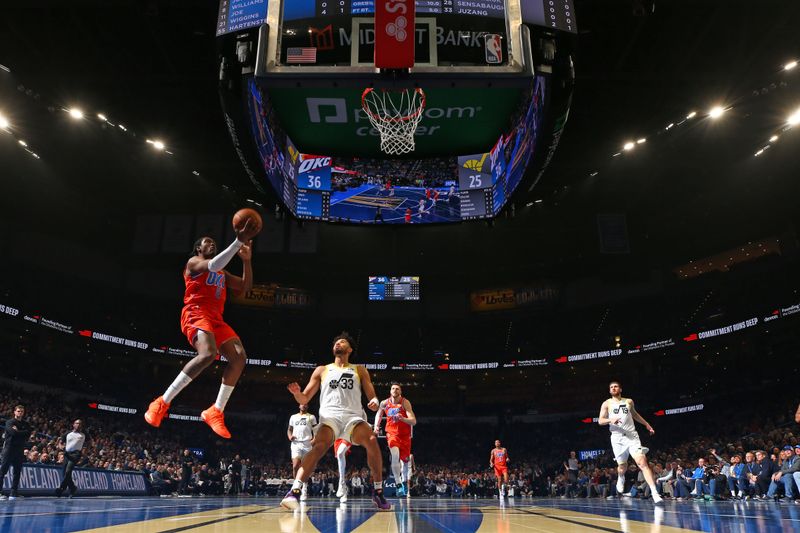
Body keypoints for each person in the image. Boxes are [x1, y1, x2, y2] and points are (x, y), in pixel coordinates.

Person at [144, 222, 259, 439]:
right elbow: (213, 265)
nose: (212, 244)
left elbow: (246, 287)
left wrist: (247, 261)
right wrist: (238, 240)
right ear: (199, 248)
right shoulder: (194, 263)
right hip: (196, 313)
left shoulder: (221, 272)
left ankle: (215, 410)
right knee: (207, 354)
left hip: (216, 318)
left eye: (214, 242)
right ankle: (162, 402)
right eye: (208, 242)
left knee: (239, 358)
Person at [281, 332, 390, 511]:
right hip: (330, 417)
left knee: (371, 440)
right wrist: (297, 394)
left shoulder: (359, 370)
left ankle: (378, 492)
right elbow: (304, 399)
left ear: (350, 349)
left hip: (353, 417)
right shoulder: (322, 370)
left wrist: (374, 402)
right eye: (336, 342)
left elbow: (372, 395)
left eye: (342, 342)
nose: (338, 344)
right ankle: (294, 491)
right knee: (318, 446)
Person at [598, 381, 663, 504]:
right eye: (611, 387)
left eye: (615, 386)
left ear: (620, 389)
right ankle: (621, 477)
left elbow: (635, 414)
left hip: (632, 436)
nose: (613, 388)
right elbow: (600, 421)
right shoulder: (606, 403)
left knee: (642, 463)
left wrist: (646, 424)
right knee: (622, 467)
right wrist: (610, 419)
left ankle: (654, 493)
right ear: (609, 390)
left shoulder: (628, 401)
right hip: (617, 438)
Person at [374, 383, 416, 497]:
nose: (395, 390)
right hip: (392, 434)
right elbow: (378, 414)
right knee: (395, 455)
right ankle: (398, 484)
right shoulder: (384, 403)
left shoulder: (404, 403)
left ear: (400, 391)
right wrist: (376, 427)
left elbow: (413, 421)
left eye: (397, 388)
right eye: (393, 388)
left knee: (405, 461)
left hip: (405, 436)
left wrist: (403, 418)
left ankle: (403, 482)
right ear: (390, 391)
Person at [0, 405, 32, 500]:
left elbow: (28, 434)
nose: (20, 413)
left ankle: (13, 493)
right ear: (14, 412)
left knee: (17, 472)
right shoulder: (9, 422)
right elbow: (13, 433)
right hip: (9, 449)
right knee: (3, 471)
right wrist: (22, 433)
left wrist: (18, 432)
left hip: (19, 450)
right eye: (18, 411)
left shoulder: (26, 424)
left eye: (22, 411)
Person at [287, 404, 317, 501]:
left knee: (305, 467)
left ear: (307, 406)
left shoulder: (311, 417)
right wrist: (290, 436)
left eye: (305, 404)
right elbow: (289, 429)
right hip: (296, 443)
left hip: (307, 444)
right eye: (302, 404)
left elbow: (316, 430)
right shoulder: (293, 417)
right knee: (295, 466)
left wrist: (314, 439)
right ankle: (296, 488)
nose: (303, 405)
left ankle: (304, 488)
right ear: (299, 405)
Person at [55, 419, 86, 498]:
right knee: (64, 473)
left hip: (76, 454)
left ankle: (62, 488)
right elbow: (60, 442)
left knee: (68, 471)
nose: (78, 425)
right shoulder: (68, 433)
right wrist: (61, 447)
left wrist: (85, 451)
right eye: (76, 423)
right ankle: (72, 488)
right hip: (66, 453)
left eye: (80, 424)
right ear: (73, 424)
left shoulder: (84, 434)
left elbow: (90, 443)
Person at [334, 438, 352, 503]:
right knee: (340, 455)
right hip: (338, 436)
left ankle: (341, 482)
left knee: (340, 453)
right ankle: (344, 490)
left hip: (347, 432)